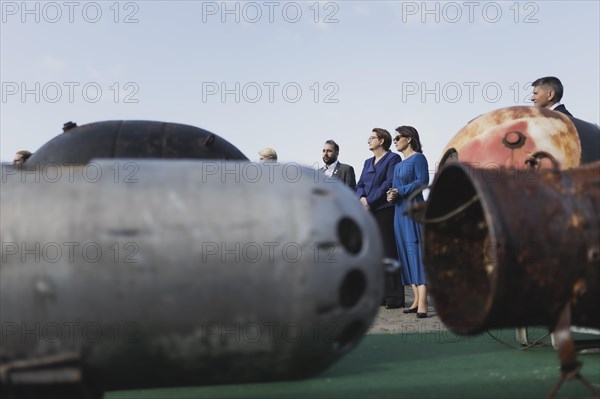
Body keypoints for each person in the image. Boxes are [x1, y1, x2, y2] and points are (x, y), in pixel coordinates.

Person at [356, 128, 404, 309]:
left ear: (382, 140)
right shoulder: (367, 162)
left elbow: (389, 183)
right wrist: (362, 199)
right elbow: (359, 184)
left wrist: (370, 200)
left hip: (384, 210)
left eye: (372, 138)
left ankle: (394, 296)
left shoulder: (393, 159)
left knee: (388, 252)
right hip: (367, 211)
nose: (369, 140)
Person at [387, 126, 430, 318]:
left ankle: (423, 302)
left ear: (409, 139)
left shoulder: (419, 158)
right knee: (405, 253)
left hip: (414, 209)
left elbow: (422, 181)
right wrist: (391, 195)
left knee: (416, 252)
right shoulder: (397, 165)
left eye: (397, 137)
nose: (395, 141)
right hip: (399, 212)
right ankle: (414, 299)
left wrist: (401, 191)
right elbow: (396, 189)